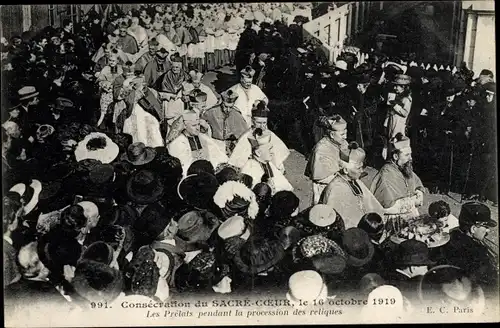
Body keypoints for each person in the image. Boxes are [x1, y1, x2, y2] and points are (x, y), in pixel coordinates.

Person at [320, 142, 385, 228]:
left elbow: (373, 205)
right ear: (346, 170)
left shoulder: (354, 180)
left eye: (362, 167)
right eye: (358, 168)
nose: (362, 171)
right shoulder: (336, 189)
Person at [441, 202, 498, 289]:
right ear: (473, 229)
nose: (488, 231)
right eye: (486, 227)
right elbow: (492, 284)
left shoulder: (448, 237)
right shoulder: (479, 254)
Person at [370, 134, 425, 219]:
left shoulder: (405, 168)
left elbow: (417, 183)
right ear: (396, 156)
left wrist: (419, 193)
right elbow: (386, 207)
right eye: (407, 155)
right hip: (395, 219)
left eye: (410, 154)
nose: (410, 158)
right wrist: (413, 202)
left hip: (411, 214)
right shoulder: (386, 173)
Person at [228, 101, 289, 173]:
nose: (262, 126)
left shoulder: (270, 134)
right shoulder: (246, 136)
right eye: (259, 123)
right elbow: (239, 160)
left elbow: (277, 155)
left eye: (264, 123)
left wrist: (279, 166)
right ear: (252, 121)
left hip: (270, 166)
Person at [167, 110, 228, 176]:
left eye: (198, 124)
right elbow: (181, 167)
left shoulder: (203, 137)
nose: (197, 128)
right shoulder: (178, 143)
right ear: (184, 125)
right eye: (194, 125)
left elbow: (215, 153)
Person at [305, 115, 349, 205]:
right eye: (342, 134)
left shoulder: (343, 143)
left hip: (340, 184)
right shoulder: (321, 149)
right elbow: (321, 177)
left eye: (346, 133)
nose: (345, 137)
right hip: (325, 188)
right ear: (332, 135)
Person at [240, 128, 293, 195]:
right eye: (269, 149)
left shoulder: (267, 163)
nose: (273, 152)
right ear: (258, 152)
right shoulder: (250, 167)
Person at [202, 89, 248, 156]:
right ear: (222, 102)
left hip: (231, 150)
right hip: (214, 147)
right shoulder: (211, 112)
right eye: (226, 107)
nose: (228, 110)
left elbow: (244, 134)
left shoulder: (237, 114)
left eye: (231, 107)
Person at [385, 74, 412, 140]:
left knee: (397, 144)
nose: (395, 88)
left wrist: (395, 105)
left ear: (403, 87)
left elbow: (405, 113)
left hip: (399, 125)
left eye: (397, 86)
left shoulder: (406, 99)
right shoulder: (396, 96)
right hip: (391, 123)